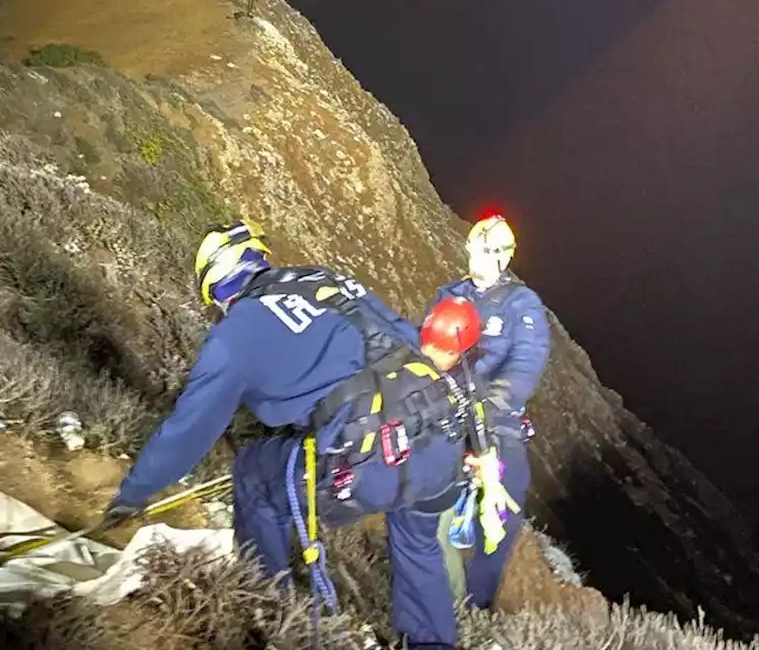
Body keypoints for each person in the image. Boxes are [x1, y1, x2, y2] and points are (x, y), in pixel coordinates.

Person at [103, 222, 485, 650]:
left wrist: (134, 493)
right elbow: (413, 341)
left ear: (218, 284)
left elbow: (189, 430)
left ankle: (270, 612)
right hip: (440, 437)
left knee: (253, 475)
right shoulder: (325, 280)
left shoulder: (236, 333)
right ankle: (432, 644)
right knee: (417, 541)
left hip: (369, 451)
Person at [434, 213, 550, 609]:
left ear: (502, 257)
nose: (474, 258)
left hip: (494, 418)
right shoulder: (450, 295)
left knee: (506, 499)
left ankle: (475, 602)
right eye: (473, 249)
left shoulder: (521, 304)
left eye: (484, 252)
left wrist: (494, 401)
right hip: (446, 409)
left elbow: (526, 361)